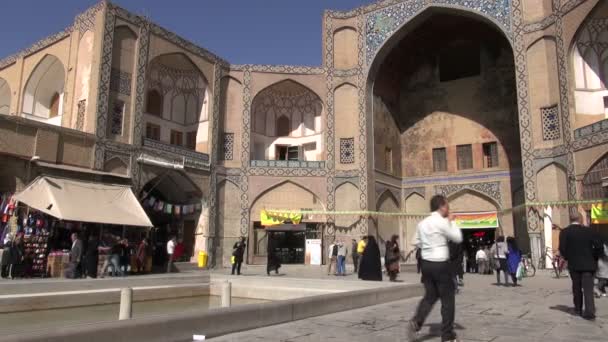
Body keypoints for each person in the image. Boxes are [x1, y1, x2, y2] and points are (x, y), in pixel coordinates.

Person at [408, 195, 462, 342]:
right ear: (441, 207)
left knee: (431, 296)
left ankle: (417, 320)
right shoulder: (442, 222)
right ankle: (447, 335)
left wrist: (428, 246)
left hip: (426, 265)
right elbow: (457, 237)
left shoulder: (422, 223)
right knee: (448, 300)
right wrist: (452, 222)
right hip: (440, 264)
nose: (448, 209)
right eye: (447, 206)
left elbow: (415, 241)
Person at [559, 212, 602, 320]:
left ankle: (578, 309)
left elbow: (562, 249)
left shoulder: (565, 232)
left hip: (574, 265)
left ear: (570, 219)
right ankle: (589, 312)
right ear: (581, 219)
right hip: (588, 264)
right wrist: (595, 258)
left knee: (576, 287)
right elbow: (599, 246)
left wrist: (569, 258)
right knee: (588, 288)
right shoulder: (589, 231)